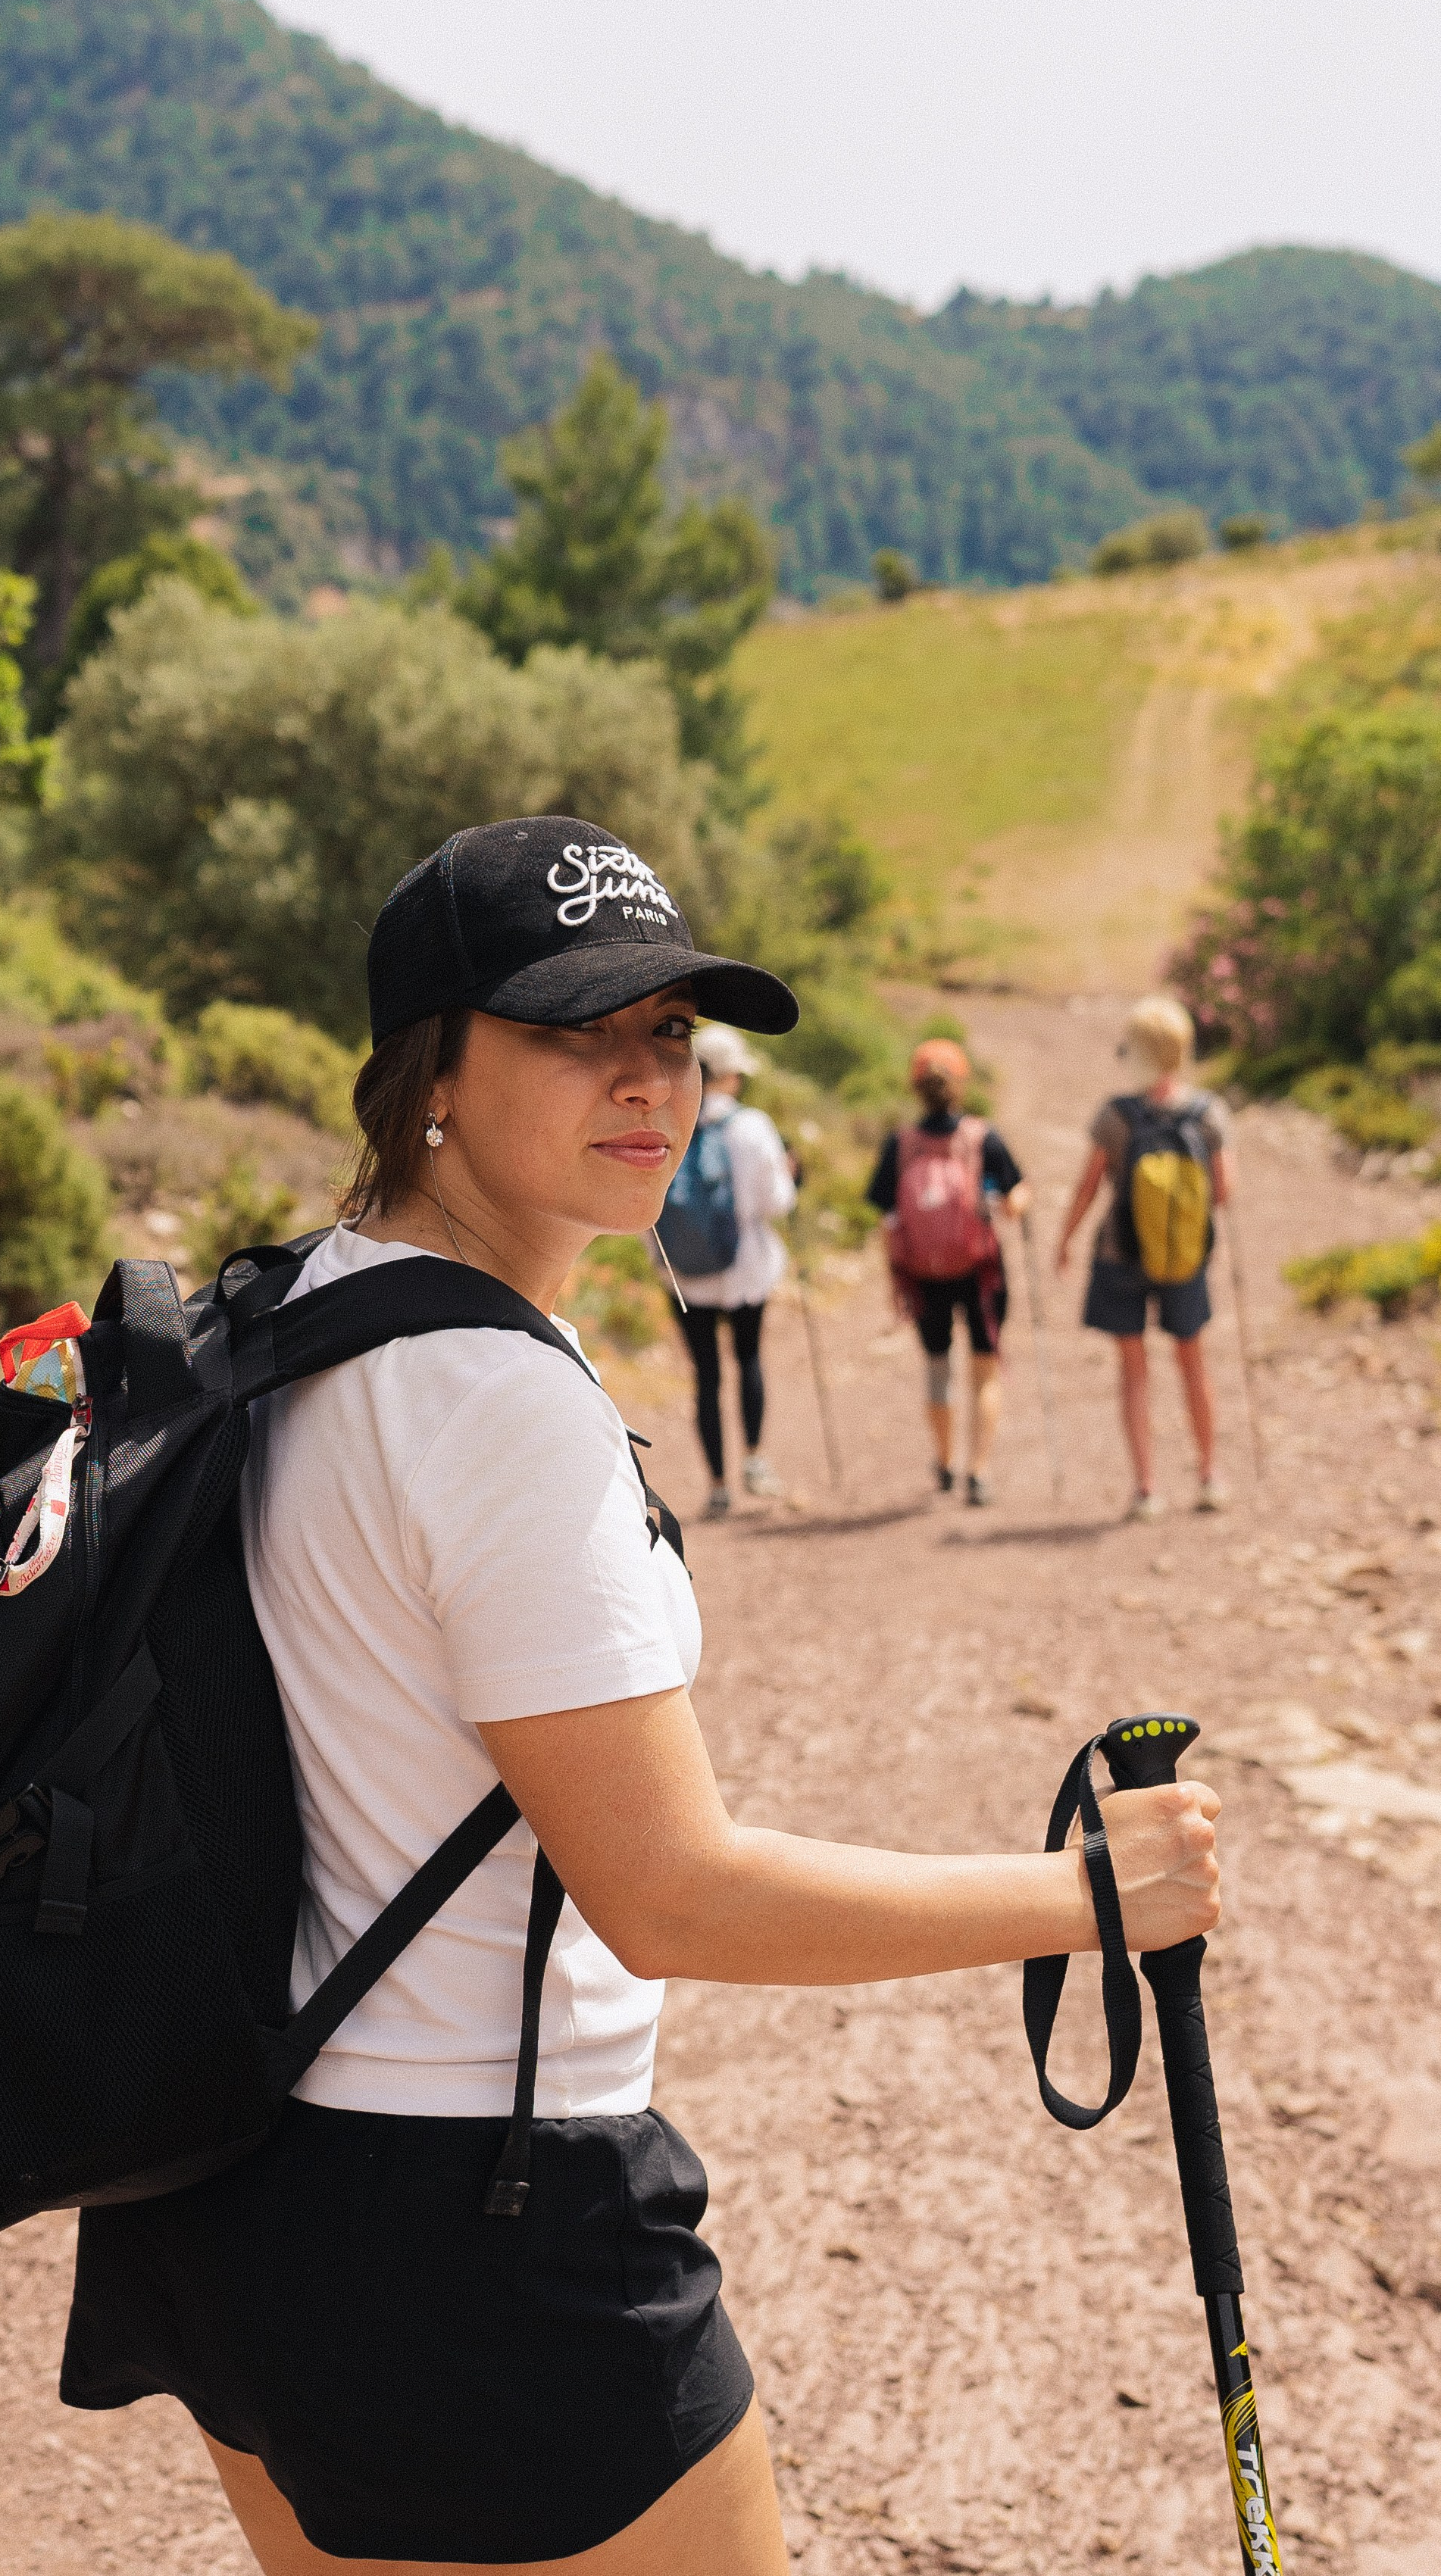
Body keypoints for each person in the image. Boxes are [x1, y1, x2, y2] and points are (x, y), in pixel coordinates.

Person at [61, 817, 1224, 2575]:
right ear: (427, 1075)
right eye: (568, 1030)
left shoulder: (282, 1317)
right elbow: (671, 1893)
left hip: (219, 2184)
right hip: (478, 2219)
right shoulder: (494, 1402)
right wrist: (1087, 1897)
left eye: (670, 1030)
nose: (645, 1079)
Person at [1055, 993, 1234, 1521]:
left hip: (1121, 1253)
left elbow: (1089, 1186)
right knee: (1192, 1361)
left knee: (1134, 1370)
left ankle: (1146, 1488)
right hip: (1184, 1258)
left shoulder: (1116, 1116)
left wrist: (1065, 1238)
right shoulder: (1208, 1113)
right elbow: (1224, 1192)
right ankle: (1209, 1475)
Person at [867, 1039, 1030, 1507]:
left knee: (938, 1368)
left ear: (915, 1088)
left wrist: (894, 1281)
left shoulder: (900, 1145)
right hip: (980, 1271)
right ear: (961, 1084)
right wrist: (1014, 1205)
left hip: (923, 1275)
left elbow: (888, 1221)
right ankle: (978, 1472)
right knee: (984, 1370)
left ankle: (944, 1463)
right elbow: (1016, 1198)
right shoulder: (983, 1138)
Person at [661, 1020, 800, 1519]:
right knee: (749, 1358)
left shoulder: (668, 1123)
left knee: (706, 1377)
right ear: (726, 1075)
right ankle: (755, 1462)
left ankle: (717, 1485)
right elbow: (778, 1203)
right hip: (747, 1273)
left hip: (682, 1277)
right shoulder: (752, 1127)